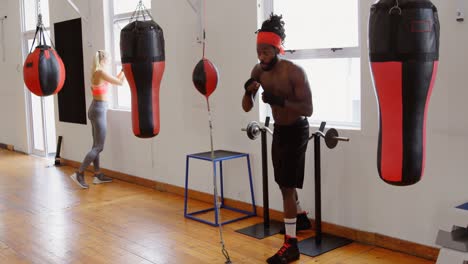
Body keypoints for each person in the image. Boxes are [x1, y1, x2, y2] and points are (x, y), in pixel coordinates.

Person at [242, 14, 313, 264]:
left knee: (286, 186)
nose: (262, 56)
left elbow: (308, 109)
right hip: (279, 130)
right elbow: (246, 107)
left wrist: (279, 100)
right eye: (259, 51)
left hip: (297, 129)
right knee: (283, 182)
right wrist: (248, 91)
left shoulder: (294, 72)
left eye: (266, 51)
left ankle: (291, 246)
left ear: (277, 48)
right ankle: (301, 217)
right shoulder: (258, 71)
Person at [70, 50, 126, 189]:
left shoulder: (97, 72)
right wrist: (125, 70)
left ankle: (97, 174)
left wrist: (123, 70)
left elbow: (114, 81)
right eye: (108, 60)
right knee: (99, 147)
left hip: (96, 109)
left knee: (95, 145)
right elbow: (119, 83)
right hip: (99, 110)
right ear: (103, 60)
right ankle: (79, 173)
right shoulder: (100, 72)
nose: (108, 62)